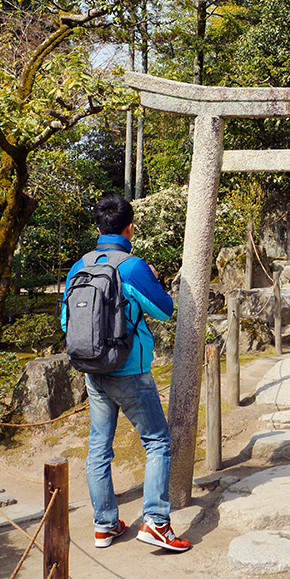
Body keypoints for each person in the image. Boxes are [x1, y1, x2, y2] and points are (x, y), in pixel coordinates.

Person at [62, 193, 190, 552]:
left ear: (97, 227)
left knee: (99, 449)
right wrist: (153, 279)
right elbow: (165, 310)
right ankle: (156, 522)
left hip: (92, 370)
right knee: (157, 442)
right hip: (130, 372)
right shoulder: (132, 266)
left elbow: (65, 321)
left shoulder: (79, 267)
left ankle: (104, 525)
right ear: (130, 227)